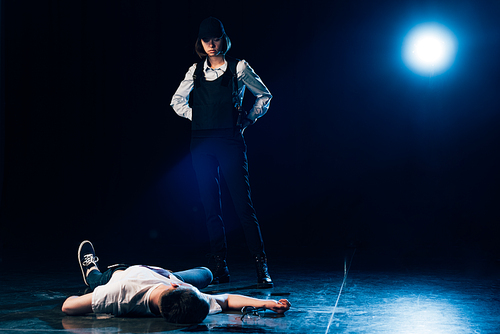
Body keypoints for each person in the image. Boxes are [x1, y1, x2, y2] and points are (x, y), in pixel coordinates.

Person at [170, 17, 273, 288]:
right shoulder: (195, 71)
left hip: (229, 140)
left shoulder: (239, 67)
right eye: (206, 40)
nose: (211, 45)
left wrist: (248, 119)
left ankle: (261, 265)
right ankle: (220, 265)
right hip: (201, 143)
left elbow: (264, 96)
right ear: (200, 43)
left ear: (223, 39)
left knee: (243, 206)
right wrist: (199, 116)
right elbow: (176, 101)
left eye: (215, 39)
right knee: (210, 205)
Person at [62, 241, 291, 324]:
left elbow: (68, 306)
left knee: (98, 281)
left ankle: (92, 272)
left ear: (175, 288)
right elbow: (227, 300)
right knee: (207, 274)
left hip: (120, 276)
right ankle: (169, 273)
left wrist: (96, 297)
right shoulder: (186, 300)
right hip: (164, 275)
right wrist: (265, 303)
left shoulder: (118, 294)